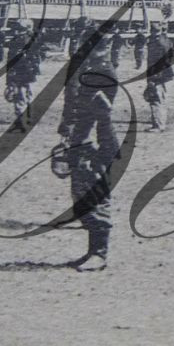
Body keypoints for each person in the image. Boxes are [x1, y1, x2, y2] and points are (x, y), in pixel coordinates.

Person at [56, 27, 120, 272]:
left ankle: (100, 254)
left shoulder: (102, 71)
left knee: (96, 196)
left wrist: (80, 139)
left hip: (96, 143)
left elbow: (100, 112)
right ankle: (92, 251)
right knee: (82, 195)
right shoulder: (89, 68)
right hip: (84, 140)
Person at [3, 21, 43, 130]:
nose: (17, 31)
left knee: (29, 93)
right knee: (19, 93)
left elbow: (38, 55)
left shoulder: (32, 39)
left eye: (20, 29)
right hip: (19, 70)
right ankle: (21, 115)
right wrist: (9, 78)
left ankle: (28, 115)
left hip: (28, 70)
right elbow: (10, 60)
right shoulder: (15, 40)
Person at [143, 23, 174, 131]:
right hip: (164, 75)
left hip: (158, 76)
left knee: (156, 99)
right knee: (157, 98)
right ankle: (157, 123)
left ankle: (158, 125)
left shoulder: (157, 44)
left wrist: (154, 78)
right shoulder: (165, 40)